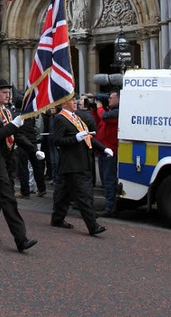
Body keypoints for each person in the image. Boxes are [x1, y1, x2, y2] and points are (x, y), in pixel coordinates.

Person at [0, 79, 42, 252]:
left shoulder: (6, 111)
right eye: (4, 92)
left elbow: (17, 136)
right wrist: (13, 126)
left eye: (8, 92)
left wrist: (33, 150)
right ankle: (21, 239)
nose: (8, 95)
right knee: (8, 198)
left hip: (6, 160)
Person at [51, 95, 112, 236]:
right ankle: (93, 226)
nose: (76, 102)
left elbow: (88, 137)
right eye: (72, 100)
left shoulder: (76, 117)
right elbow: (58, 141)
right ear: (64, 103)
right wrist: (75, 138)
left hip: (80, 162)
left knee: (63, 194)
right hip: (73, 164)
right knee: (83, 195)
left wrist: (103, 148)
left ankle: (57, 219)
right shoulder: (60, 118)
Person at [93, 91, 120, 215]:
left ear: (119, 99)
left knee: (109, 180)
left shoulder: (116, 112)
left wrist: (99, 108)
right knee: (105, 180)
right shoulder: (109, 111)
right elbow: (98, 119)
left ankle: (110, 207)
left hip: (111, 151)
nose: (109, 99)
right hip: (103, 150)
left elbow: (103, 116)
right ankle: (108, 204)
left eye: (111, 98)